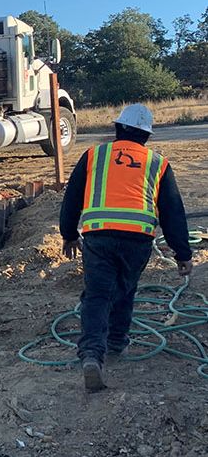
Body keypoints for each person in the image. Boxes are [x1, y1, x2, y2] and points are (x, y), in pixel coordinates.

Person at [59, 103, 193, 391]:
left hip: (99, 236)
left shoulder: (94, 155)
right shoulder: (158, 162)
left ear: (117, 128)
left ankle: (93, 353)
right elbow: (172, 212)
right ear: (146, 136)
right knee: (125, 288)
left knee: (96, 295)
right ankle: (117, 341)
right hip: (138, 239)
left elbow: (72, 199)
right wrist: (183, 253)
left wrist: (68, 234)